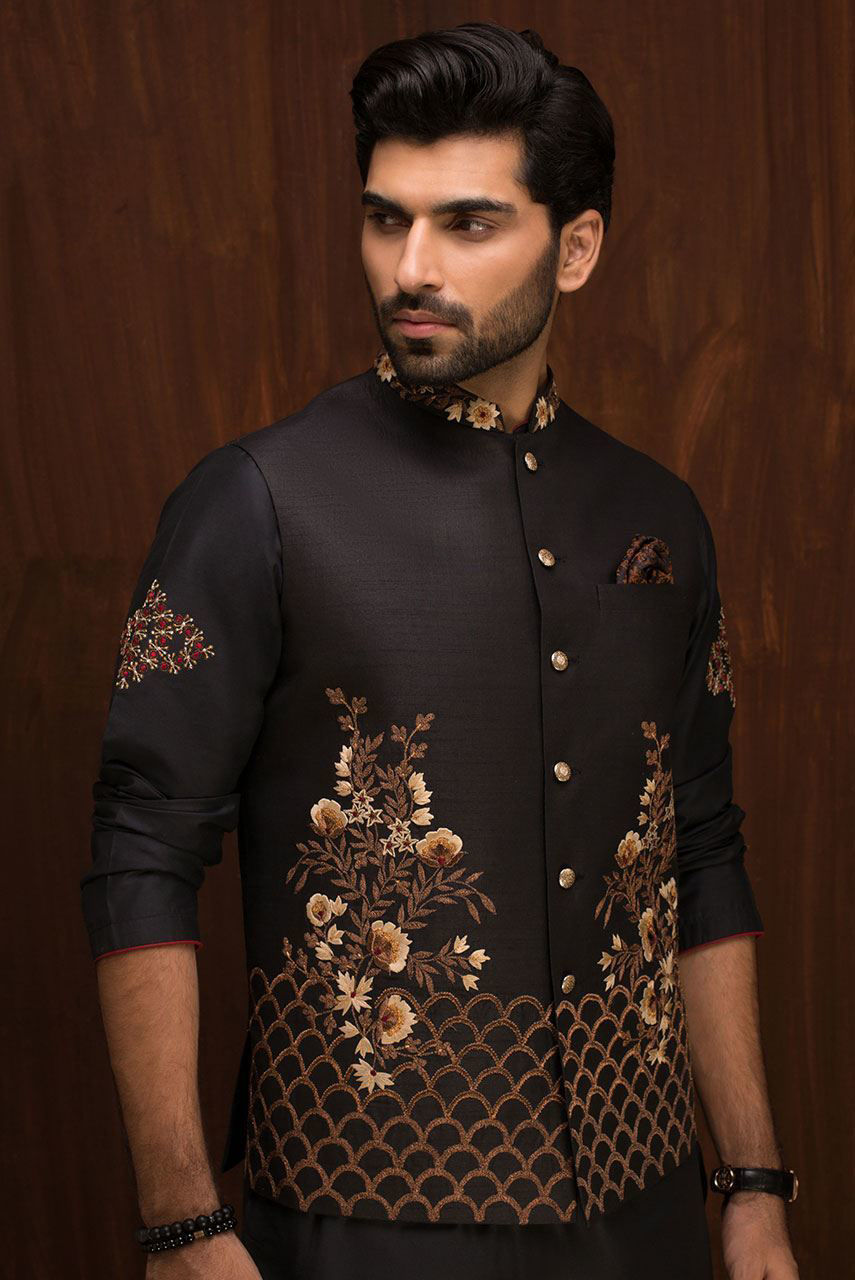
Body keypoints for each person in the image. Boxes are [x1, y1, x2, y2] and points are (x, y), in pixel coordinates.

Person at [80, 20, 800, 1280]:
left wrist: (750, 1186)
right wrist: (181, 1221)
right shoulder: (256, 502)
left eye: (468, 223)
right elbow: (142, 843)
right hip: (360, 1214)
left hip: (644, 1215)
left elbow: (702, 843)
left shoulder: (658, 516)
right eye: (385, 219)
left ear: (576, 247)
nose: (410, 267)